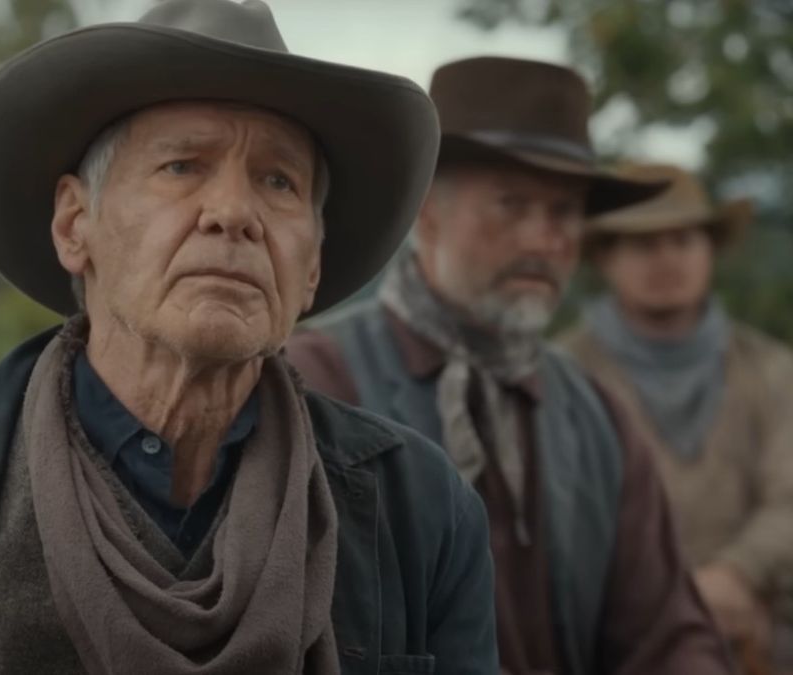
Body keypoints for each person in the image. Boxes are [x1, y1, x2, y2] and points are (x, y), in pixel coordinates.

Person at [0, 2, 499, 673]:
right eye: (184, 166)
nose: (233, 213)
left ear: (311, 267)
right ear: (73, 224)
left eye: (279, 182)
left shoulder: (423, 515)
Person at [286, 57, 733, 675]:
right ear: (427, 211)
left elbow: (664, 634)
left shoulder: (595, 415)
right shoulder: (314, 383)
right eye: (512, 205)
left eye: (563, 212)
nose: (543, 239)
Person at [560, 162, 793, 672]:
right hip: (610, 637)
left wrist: (737, 572)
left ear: (710, 249)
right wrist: (666, 603)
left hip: (753, 633)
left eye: (683, 240)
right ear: (606, 257)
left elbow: (789, 501)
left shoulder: (774, 371)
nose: (666, 259)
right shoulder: (562, 377)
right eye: (644, 244)